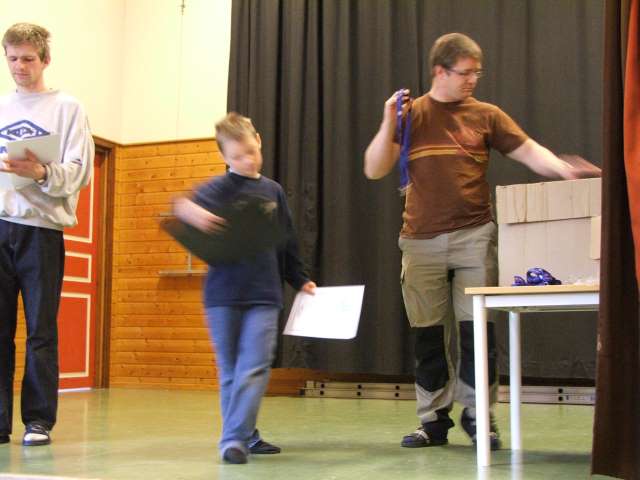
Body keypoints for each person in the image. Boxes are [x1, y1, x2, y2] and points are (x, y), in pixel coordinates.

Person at [364, 33, 600, 450]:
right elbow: (374, 167)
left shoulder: (486, 115)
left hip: (474, 236)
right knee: (427, 336)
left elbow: (528, 151)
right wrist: (388, 121)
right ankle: (432, 421)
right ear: (440, 71)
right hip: (419, 241)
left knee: (477, 333)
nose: (473, 79)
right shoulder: (411, 115)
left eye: (477, 72)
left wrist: (564, 170)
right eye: (465, 73)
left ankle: (478, 418)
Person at [173, 112, 316, 464]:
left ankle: (234, 438)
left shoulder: (273, 191)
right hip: (222, 298)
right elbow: (180, 207)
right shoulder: (217, 189)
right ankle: (243, 436)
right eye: (237, 157)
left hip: (264, 296)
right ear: (224, 157)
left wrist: (300, 279)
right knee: (231, 373)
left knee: (254, 366)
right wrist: (194, 214)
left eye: (251, 152)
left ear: (259, 142)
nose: (247, 161)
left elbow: (287, 241)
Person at [0, 23, 94, 447]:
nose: (19, 66)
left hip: (41, 231)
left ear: (45, 60)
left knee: (41, 330)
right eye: (12, 58)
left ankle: (38, 421)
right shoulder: (2, 105)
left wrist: (40, 172)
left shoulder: (67, 108)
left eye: (28, 59)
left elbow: (79, 172)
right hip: (1, 224)